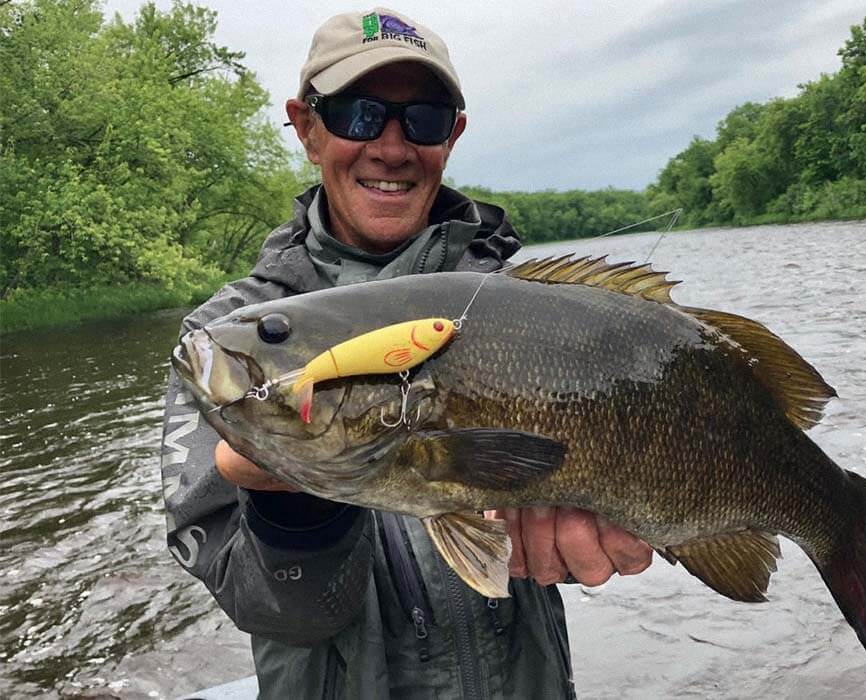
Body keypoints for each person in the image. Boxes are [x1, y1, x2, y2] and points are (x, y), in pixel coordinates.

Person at [161, 8, 652, 698]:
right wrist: (294, 506)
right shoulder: (227, 340)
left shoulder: (525, 306)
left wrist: (574, 545)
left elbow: (560, 517)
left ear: (450, 137)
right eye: (359, 114)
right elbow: (267, 610)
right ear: (306, 126)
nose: (390, 146)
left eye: (421, 118)